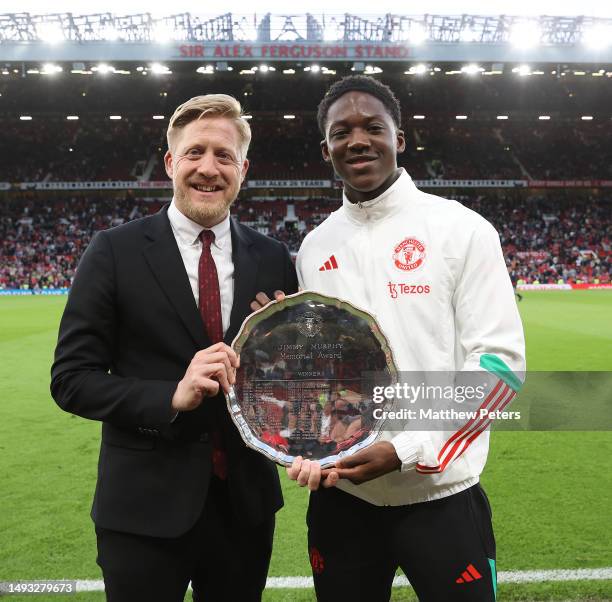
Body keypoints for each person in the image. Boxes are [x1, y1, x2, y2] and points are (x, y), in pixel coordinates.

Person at [261, 76, 526, 601]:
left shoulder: (462, 230)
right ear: (326, 149)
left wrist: (406, 449)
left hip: (442, 494)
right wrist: (280, 343)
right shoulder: (315, 247)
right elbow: (325, 370)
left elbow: (499, 371)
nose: (357, 140)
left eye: (372, 127)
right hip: (343, 501)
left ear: (399, 139)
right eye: (342, 132)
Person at [51, 94, 298, 602]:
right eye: (194, 153)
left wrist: (283, 354)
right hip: (142, 509)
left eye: (224, 156)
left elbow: (287, 381)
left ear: (243, 169)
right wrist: (170, 396)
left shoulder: (273, 258)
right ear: (170, 162)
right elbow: (71, 380)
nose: (208, 168)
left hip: (243, 508)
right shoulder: (113, 252)